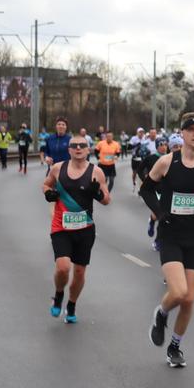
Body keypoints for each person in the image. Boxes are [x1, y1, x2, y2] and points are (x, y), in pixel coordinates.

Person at [140, 112, 194, 368]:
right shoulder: (166, 162)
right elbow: (146, 189)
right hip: (171, 234)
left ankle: (174, 347)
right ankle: (161, 313)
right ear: (183, 133)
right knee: (178, 291)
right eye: (192, 129)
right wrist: (160, 212)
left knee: (188, 299)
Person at [42, 135, 111, 324]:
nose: (78, 148)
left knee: (79, 272)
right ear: (69, 149)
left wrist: (96, 193)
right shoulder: (58, 168)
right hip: (61, 227)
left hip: (85, 228)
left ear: (88, 149)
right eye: (74, 145)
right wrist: (49, 193)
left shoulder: (96, 172)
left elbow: (106, 200)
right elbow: (46, 184)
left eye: (82, 145)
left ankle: (71, 304)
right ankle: (58, 295)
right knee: (63, 267)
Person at [138, 137, 169, 249]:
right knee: (160, 215)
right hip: (154, 190)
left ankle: (158, 238)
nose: (164, 146)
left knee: (162, 216)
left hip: (166, 190)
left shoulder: (169, 158)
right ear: (157, 146)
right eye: (161, 144)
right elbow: (140, 169)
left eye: (165, 144)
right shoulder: (151, 158)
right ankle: (156, 235)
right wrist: (145, 180)